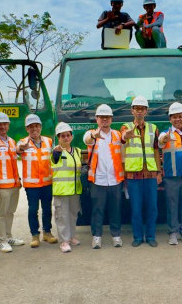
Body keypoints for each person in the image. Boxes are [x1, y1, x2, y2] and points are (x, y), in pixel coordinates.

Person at [120, 96, 161, 247]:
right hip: (133, 175)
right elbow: (123, 137)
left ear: (146, 111)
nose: (139, 111)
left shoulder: (153, 128)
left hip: (150, 174)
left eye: (142, 108)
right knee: (136, 208)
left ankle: (150, 236)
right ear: (132, 110)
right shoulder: (125, 127)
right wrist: (126, 136)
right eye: (137, 108)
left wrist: (158, 171)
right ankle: (137, 237)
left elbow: (156, 150)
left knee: (152, 207)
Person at [83, 104, 125, 248]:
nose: (104, 120)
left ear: (111, 119)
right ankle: (96, 237)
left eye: (107, 117)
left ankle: (116, 236)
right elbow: (87, 140)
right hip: (97, 179)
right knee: (97, 210)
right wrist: (94, 135)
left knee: (116, 209)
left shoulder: (117, 135)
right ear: (97, 119)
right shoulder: (91, 133)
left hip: (115, 179)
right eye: (102, 117)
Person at [158, 102, 182, 245]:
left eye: (180, 116)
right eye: (174, 117)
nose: (177, 119)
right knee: (172, 205)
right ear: (170, 119)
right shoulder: (165, 133)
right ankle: (173, 233)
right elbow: (161, 142)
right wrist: (164, 139)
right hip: (171, 177)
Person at [0, 111, 24, 253]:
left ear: (8, 125)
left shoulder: (12, 141)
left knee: (10, 212)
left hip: (14, 184)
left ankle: (8, 237)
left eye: (4, 123)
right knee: (1, 213)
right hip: (1, 185)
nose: (2, 126)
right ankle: (1, 241)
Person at [17, 114, 58, 247]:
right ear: (26, 129)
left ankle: (47, 233)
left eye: (36, 126)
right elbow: (18, 150)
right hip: (32, 184)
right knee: (32, 209)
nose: (34, 129)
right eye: (30, 127)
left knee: (47, 209)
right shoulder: (23, 142)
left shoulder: (49, 141)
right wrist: (22, 148)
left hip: (47, 182)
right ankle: (35, 235)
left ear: (40, 127)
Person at [51, 122, 83, 253]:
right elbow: (54, 159)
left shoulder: (77, 151)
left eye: (68, 135)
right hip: (62, 190)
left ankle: (71, 237)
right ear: (58, 138)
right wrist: (56, 152)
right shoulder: (56, 152)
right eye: (62, 136)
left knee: (72, 214)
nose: (65, 138)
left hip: (75, 189)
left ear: (71, 136)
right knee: (62, 216)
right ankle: (64, 241)